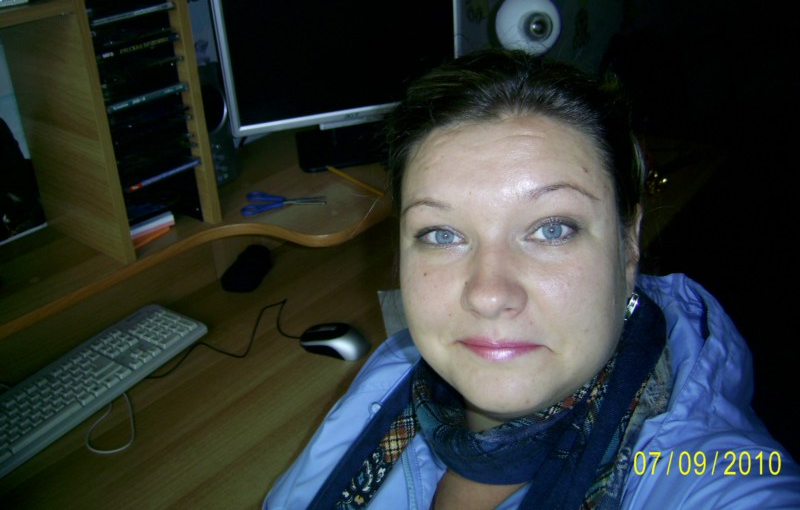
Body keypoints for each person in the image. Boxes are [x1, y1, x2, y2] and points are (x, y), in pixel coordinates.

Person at [265, 49, 800, 508]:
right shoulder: (395, 373)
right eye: (442, 234)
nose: (488, 294)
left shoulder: (704, 474)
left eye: (552, 229)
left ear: (628, 242)